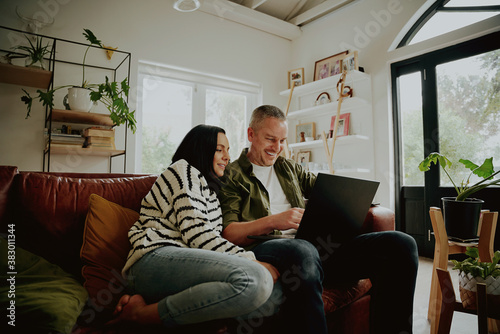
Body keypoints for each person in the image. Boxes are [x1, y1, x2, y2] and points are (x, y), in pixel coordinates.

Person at [218, 105, 419, 334]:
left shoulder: (288, 167)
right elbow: (230, 233)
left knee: (401, 245)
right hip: (271, 249)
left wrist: (352, 200)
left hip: (312, 251)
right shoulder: (232, 176)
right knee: (303, 249)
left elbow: (325, 191)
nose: (277, 148)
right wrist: (275, 220)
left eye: (283, 140)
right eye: (271, 139)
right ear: (251, 134)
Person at [110, 124, 281, 329]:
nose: (227, 157)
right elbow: (198, 234)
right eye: (219, 149)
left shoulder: (210, 193)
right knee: (256, 278)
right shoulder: (183, 170)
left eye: (228, 150)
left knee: (274, 292)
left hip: (185, 266)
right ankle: (141, 315)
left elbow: (208, 242)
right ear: (201, 149)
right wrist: (251, 260)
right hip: (154, 257)